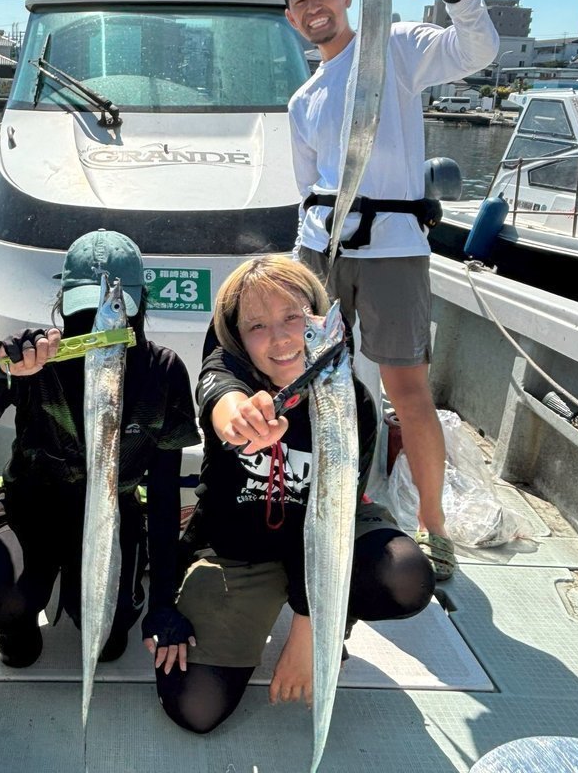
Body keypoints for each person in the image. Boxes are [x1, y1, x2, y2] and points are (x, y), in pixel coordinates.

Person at [280, 0, 500, 580]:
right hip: (320, 253)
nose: (313, 6)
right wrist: (300, 265)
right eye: (299, 0)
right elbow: (307, 188)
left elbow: (477, 52)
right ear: (291, 17)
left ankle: (432, 525)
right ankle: (319, 501)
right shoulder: (302, 100)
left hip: (394, 252)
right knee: (311, 386)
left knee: (408, 391)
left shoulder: (396, 48)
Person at [157, 254, 434, 734]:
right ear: (237, 338)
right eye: (257, 326)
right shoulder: (226, 370)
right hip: (242, 549)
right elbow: (221, 397)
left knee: (404, 576)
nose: (282, 338)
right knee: (195, 709)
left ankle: (331, 619)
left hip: (328, 533)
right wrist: (241, 419)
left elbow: (335, 522)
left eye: (293, 317)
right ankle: (274, 602)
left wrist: (308, 632)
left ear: (319, 318)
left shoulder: (352, 401)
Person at [0, 229, 200, 671]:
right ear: (63, 301)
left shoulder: (162, 372)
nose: (95, 323)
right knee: (4, 606)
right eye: (84, 308)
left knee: (108, 637)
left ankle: (86, 589)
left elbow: (165, 494)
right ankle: (21, 610)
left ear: (139, 303)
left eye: (111, 309)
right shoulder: (37, 358)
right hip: (31, 504)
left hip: (114, 508)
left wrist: (164, 600)